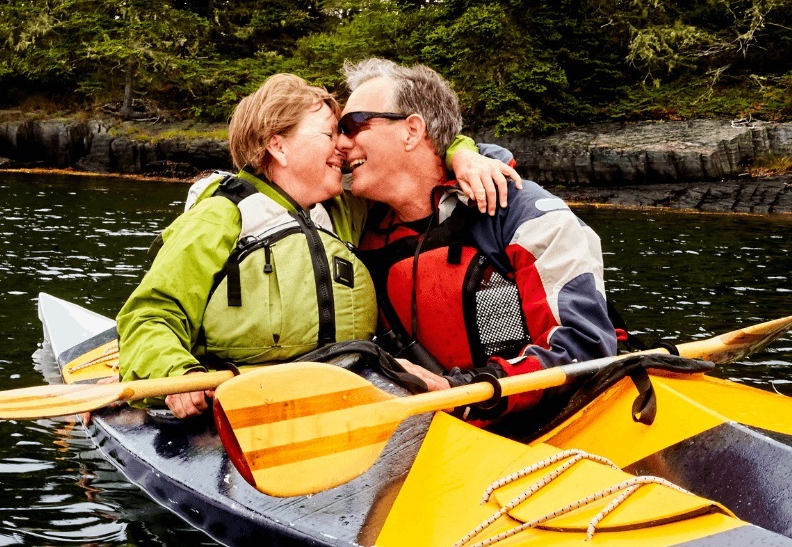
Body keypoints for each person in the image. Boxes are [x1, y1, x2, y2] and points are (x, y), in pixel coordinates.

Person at [116, 73, 520, 418]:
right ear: (279, 146)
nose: (342, 147)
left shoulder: (347, 211)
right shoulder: (219, 218)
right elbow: (150, 314)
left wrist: (465, 154)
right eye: (329, 134)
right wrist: (178, 375)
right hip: (244, 403)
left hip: (342, 399)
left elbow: (413, 159)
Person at [336, 58, 618, 423]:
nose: (341, 143)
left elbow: (584, 348)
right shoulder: (356, 223)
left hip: (543, 426)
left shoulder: (527, 216)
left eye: (353, 125)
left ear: (411, 131)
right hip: (433, 428)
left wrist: (461, 393)